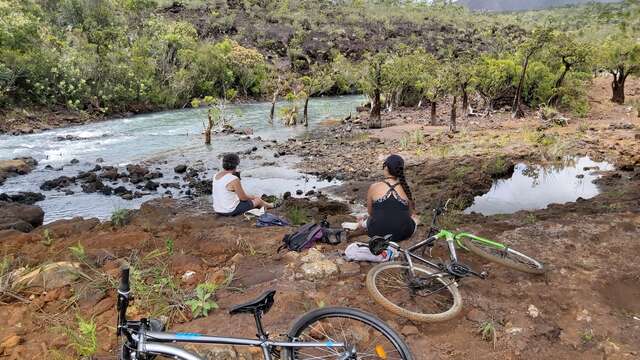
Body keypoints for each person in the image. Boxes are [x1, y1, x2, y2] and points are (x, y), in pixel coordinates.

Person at [348, 154, 419, 242]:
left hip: (376, 232)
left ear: (386, 168)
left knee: (368, 219)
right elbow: (409, 214)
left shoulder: (374, 187)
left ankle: (360, 224)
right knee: (415, 219)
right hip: (403, 234)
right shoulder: (406, 188)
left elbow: (370, 213)